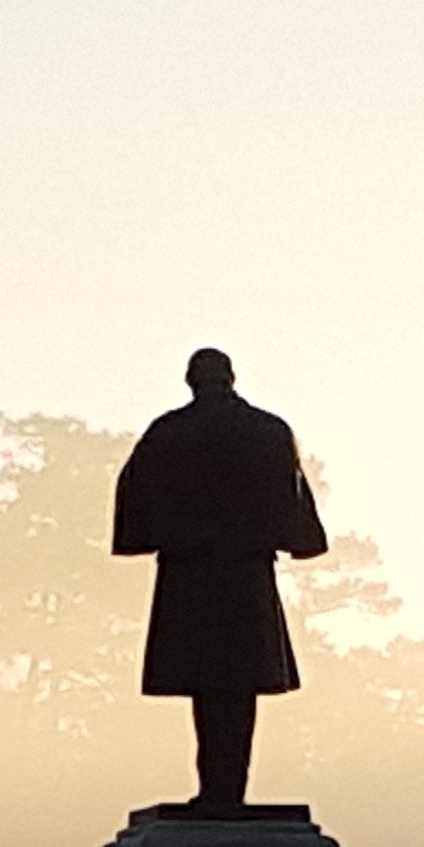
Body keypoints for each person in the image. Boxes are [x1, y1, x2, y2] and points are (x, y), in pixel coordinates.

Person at [110, 345, 330, 813]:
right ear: (231, 378)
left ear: (191, 381)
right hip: (245, 577)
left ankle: (219, 791)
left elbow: (135, 505)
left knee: (209, 687)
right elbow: (296, 513)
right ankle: (226, 791)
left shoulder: (168, 434)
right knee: (237, 688)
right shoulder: (268, 432)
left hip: (191, 577)